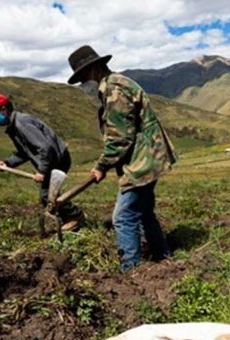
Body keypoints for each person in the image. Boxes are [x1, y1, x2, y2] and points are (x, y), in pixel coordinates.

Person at [67, 46, 178, 273]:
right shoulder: (116, 84)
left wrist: (101, 165)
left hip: (143, 161)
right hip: (149, 156)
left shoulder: (114, 91)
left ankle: (131, 271)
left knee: (123, 217)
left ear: (95, 68)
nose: (84, 82)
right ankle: (164, 257)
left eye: (84, 76)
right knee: (145, 212)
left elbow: (120, 137)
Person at [0, 94, 83, 232]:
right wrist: (6, 163)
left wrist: (42, 171)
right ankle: (68, 219)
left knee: (46, 195)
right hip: (52, 159)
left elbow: (46, 148)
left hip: (57, 159)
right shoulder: (14, 127)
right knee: (48, 196)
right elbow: (24, 153)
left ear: (3, 109)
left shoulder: (22, 124)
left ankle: (75, 216)